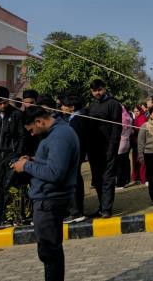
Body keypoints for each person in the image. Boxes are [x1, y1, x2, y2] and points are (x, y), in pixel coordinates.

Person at [11, 106, 80, 281]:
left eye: (32, 130)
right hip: (47, 198)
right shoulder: (56, 133)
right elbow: (52, 163)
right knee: (51, 251)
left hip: (50, 200)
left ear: (39, 122)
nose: (32, 134)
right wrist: (34, 160)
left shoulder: (60, 136)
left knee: (49, 253)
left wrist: (26, 166)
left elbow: (55, 173)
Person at [0, 87, 30, 228]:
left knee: (9, 186)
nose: (2, 106)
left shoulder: (17, 114)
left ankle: (5, 217)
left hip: (11, 156)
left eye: (5, 103)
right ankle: (3, 216)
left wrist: (18, 156)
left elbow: (22, 136)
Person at [86, 79, 122, 218]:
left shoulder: (113, 104)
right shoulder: (92, 105)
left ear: (105, 88)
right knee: (98, 180)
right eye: (95, 91)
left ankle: (107, 208)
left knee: (108, 179)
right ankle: (101, 206)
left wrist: (112, 148)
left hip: (109, 148)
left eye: (100, 90)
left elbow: (116, 128)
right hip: (94, 150)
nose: (98, 93)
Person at [60, 95, 87, 224]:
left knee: (73, 183)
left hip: (74, 155)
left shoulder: (77, 119)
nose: (61, 108)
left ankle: (75, 212)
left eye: (64, 105)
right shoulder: (72, 118)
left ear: (72, 107)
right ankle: (77, 210)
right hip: (75, 154)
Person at [115, 104, 133, 189]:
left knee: (119, 164)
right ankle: (126, 180)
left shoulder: (121, 119)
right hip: (127, 141)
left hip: (120, 143)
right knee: (125, 162)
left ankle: (120, 183)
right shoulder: (128, 118)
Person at [131, 103, 148, 186]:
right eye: (134, 111)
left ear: (140, 111)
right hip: (135, 143)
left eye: (137, 111)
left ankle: (143, 178)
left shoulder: (142, 118)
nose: (136, 113)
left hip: (141, 143)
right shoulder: (136, 118)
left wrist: (134, 129)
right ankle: (136, 177)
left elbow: (143, 130)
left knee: (142, 161)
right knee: (135, 161)